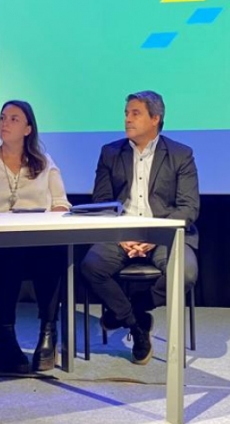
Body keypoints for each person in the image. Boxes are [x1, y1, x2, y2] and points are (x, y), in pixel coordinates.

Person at [80, 90, 199, 365]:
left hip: (165, 235)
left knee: (185, 273)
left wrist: (155, 236)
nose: (127, 119)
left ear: (155, 118)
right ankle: (136, 324)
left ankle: (133, 308)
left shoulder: (181, 154)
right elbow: (101, 202)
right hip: (121, 233)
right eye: (126, 113)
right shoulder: (110, 152)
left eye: (135, 113)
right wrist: (120, 235)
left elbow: (189, 207)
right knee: (91, 267)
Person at [0, 100, 70, 373]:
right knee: (8, 254)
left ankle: (48, 334)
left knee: (53, 253)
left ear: (28, 129)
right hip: (0, 243)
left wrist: (50, 218)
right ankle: (6, 337)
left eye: (14, 119)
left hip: (38, 241)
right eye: (3, 117)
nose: (5, 123)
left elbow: (61, 203)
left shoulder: (44, 163)